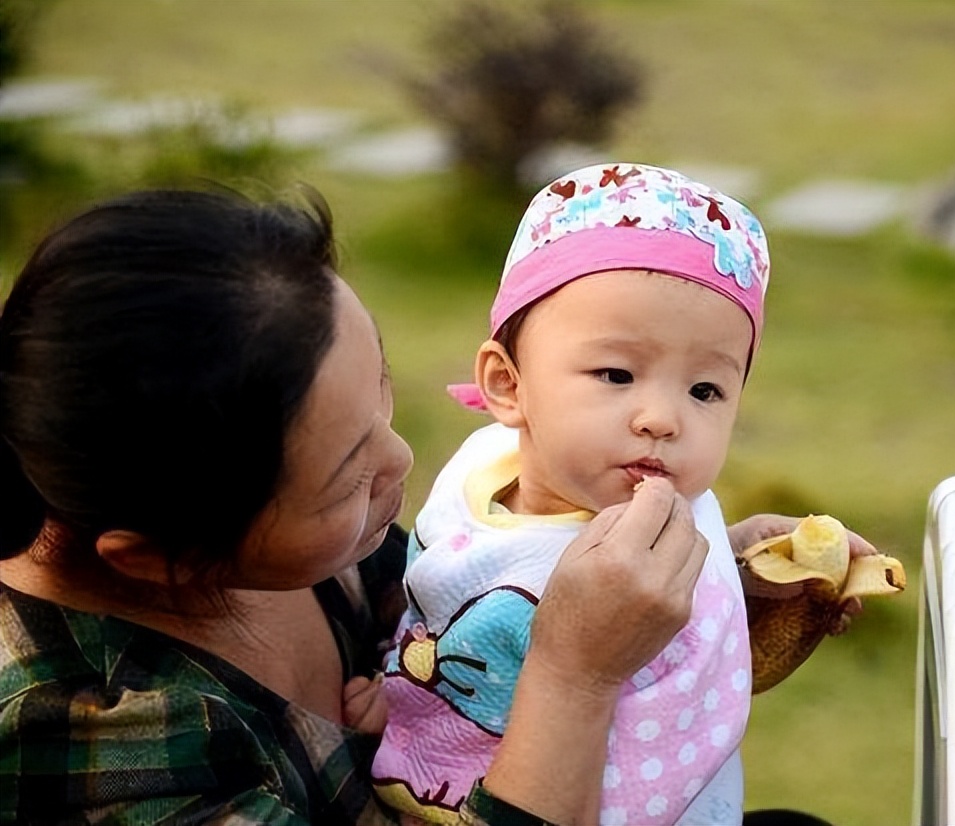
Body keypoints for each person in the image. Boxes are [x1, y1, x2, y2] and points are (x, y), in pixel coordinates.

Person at [0, 188, 716, 826]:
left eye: (381, 384)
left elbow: (474, 628)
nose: (400, 458)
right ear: (158, 558)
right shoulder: (89, 747)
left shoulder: (293, 539)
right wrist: (574, 678)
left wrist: (705, 591)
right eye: (346, 479)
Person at [371, 163, 870, 826]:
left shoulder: (614, 505)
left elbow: (687, 666)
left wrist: (735, 562)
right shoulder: (504, 509)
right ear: (507, 385)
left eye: (705, 391)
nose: (662, 418)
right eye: (616, 373)